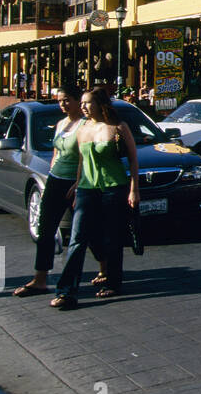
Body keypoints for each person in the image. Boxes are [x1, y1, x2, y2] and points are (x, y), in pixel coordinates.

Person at [52, 87, 141, 309]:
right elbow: (82, 160)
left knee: (112, 238)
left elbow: (133, 160)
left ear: (101, 104)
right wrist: (77, 183)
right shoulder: (83, 128)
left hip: (114, 187)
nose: (82, 107)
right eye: (81, 102)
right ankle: (66, 292)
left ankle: (113, 282)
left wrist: (134, 189)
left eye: (87, 103)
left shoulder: (118, 127)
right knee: (77, 239)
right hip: (86, 189)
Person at [13, 86, 86, 298]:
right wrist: (51, 177)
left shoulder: (85, 125)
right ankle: (40, 279)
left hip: (75, 182)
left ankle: (105, 271)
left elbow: (84, 157)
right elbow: (55, 153)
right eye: (60, 100)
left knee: (83, 233)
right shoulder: (61, 124)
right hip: (56, 180)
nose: (63, 104)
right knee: (45, 230)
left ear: (77, 100)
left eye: (67, 100)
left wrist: (78, 182)